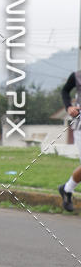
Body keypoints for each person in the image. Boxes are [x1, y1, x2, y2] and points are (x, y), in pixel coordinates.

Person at [58, 70, 81, 212]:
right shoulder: (77, 76)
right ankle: (67, 189)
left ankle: (66, 189)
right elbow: (65, 90)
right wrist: (69, 107)